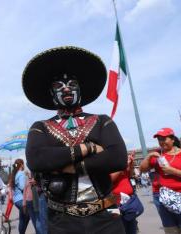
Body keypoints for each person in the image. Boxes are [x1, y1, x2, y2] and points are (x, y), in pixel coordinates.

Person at [24, 46, 128, 234]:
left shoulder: (102, 120)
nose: (66, 88)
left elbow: (117, 157)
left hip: (106, 217)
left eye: (72, 84)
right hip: (61, 221)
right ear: (51, 93)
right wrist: (88, 148)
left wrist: (68, 166)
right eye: (58, 86)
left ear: (80, 89)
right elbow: (37, 159)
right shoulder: (40, 126)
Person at [140, 127, 181, 234]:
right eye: (159, 139)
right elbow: (143, 169)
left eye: (164, 138)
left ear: (172, 139)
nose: (161, 142)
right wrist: (149, 156)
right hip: (161, 197)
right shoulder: (157, 154)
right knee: (171, 230)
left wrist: (173, 171)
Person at [111, 153, 139, 234]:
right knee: (118, 226)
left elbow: (130, 175)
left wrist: (131, 165)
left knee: (132, 226)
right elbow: (109, 180)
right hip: (113, 202)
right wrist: (122, 166)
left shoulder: (122, 162)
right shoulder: (108, 163)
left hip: (128, 201)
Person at [9, 159, 30, 234]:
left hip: (17, 200)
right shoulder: (21, 173)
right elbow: (22, 187)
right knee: (28, 216)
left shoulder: (15, 174)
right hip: (22, 200)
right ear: (21, 164)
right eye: (23, 164)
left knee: (23, 218)